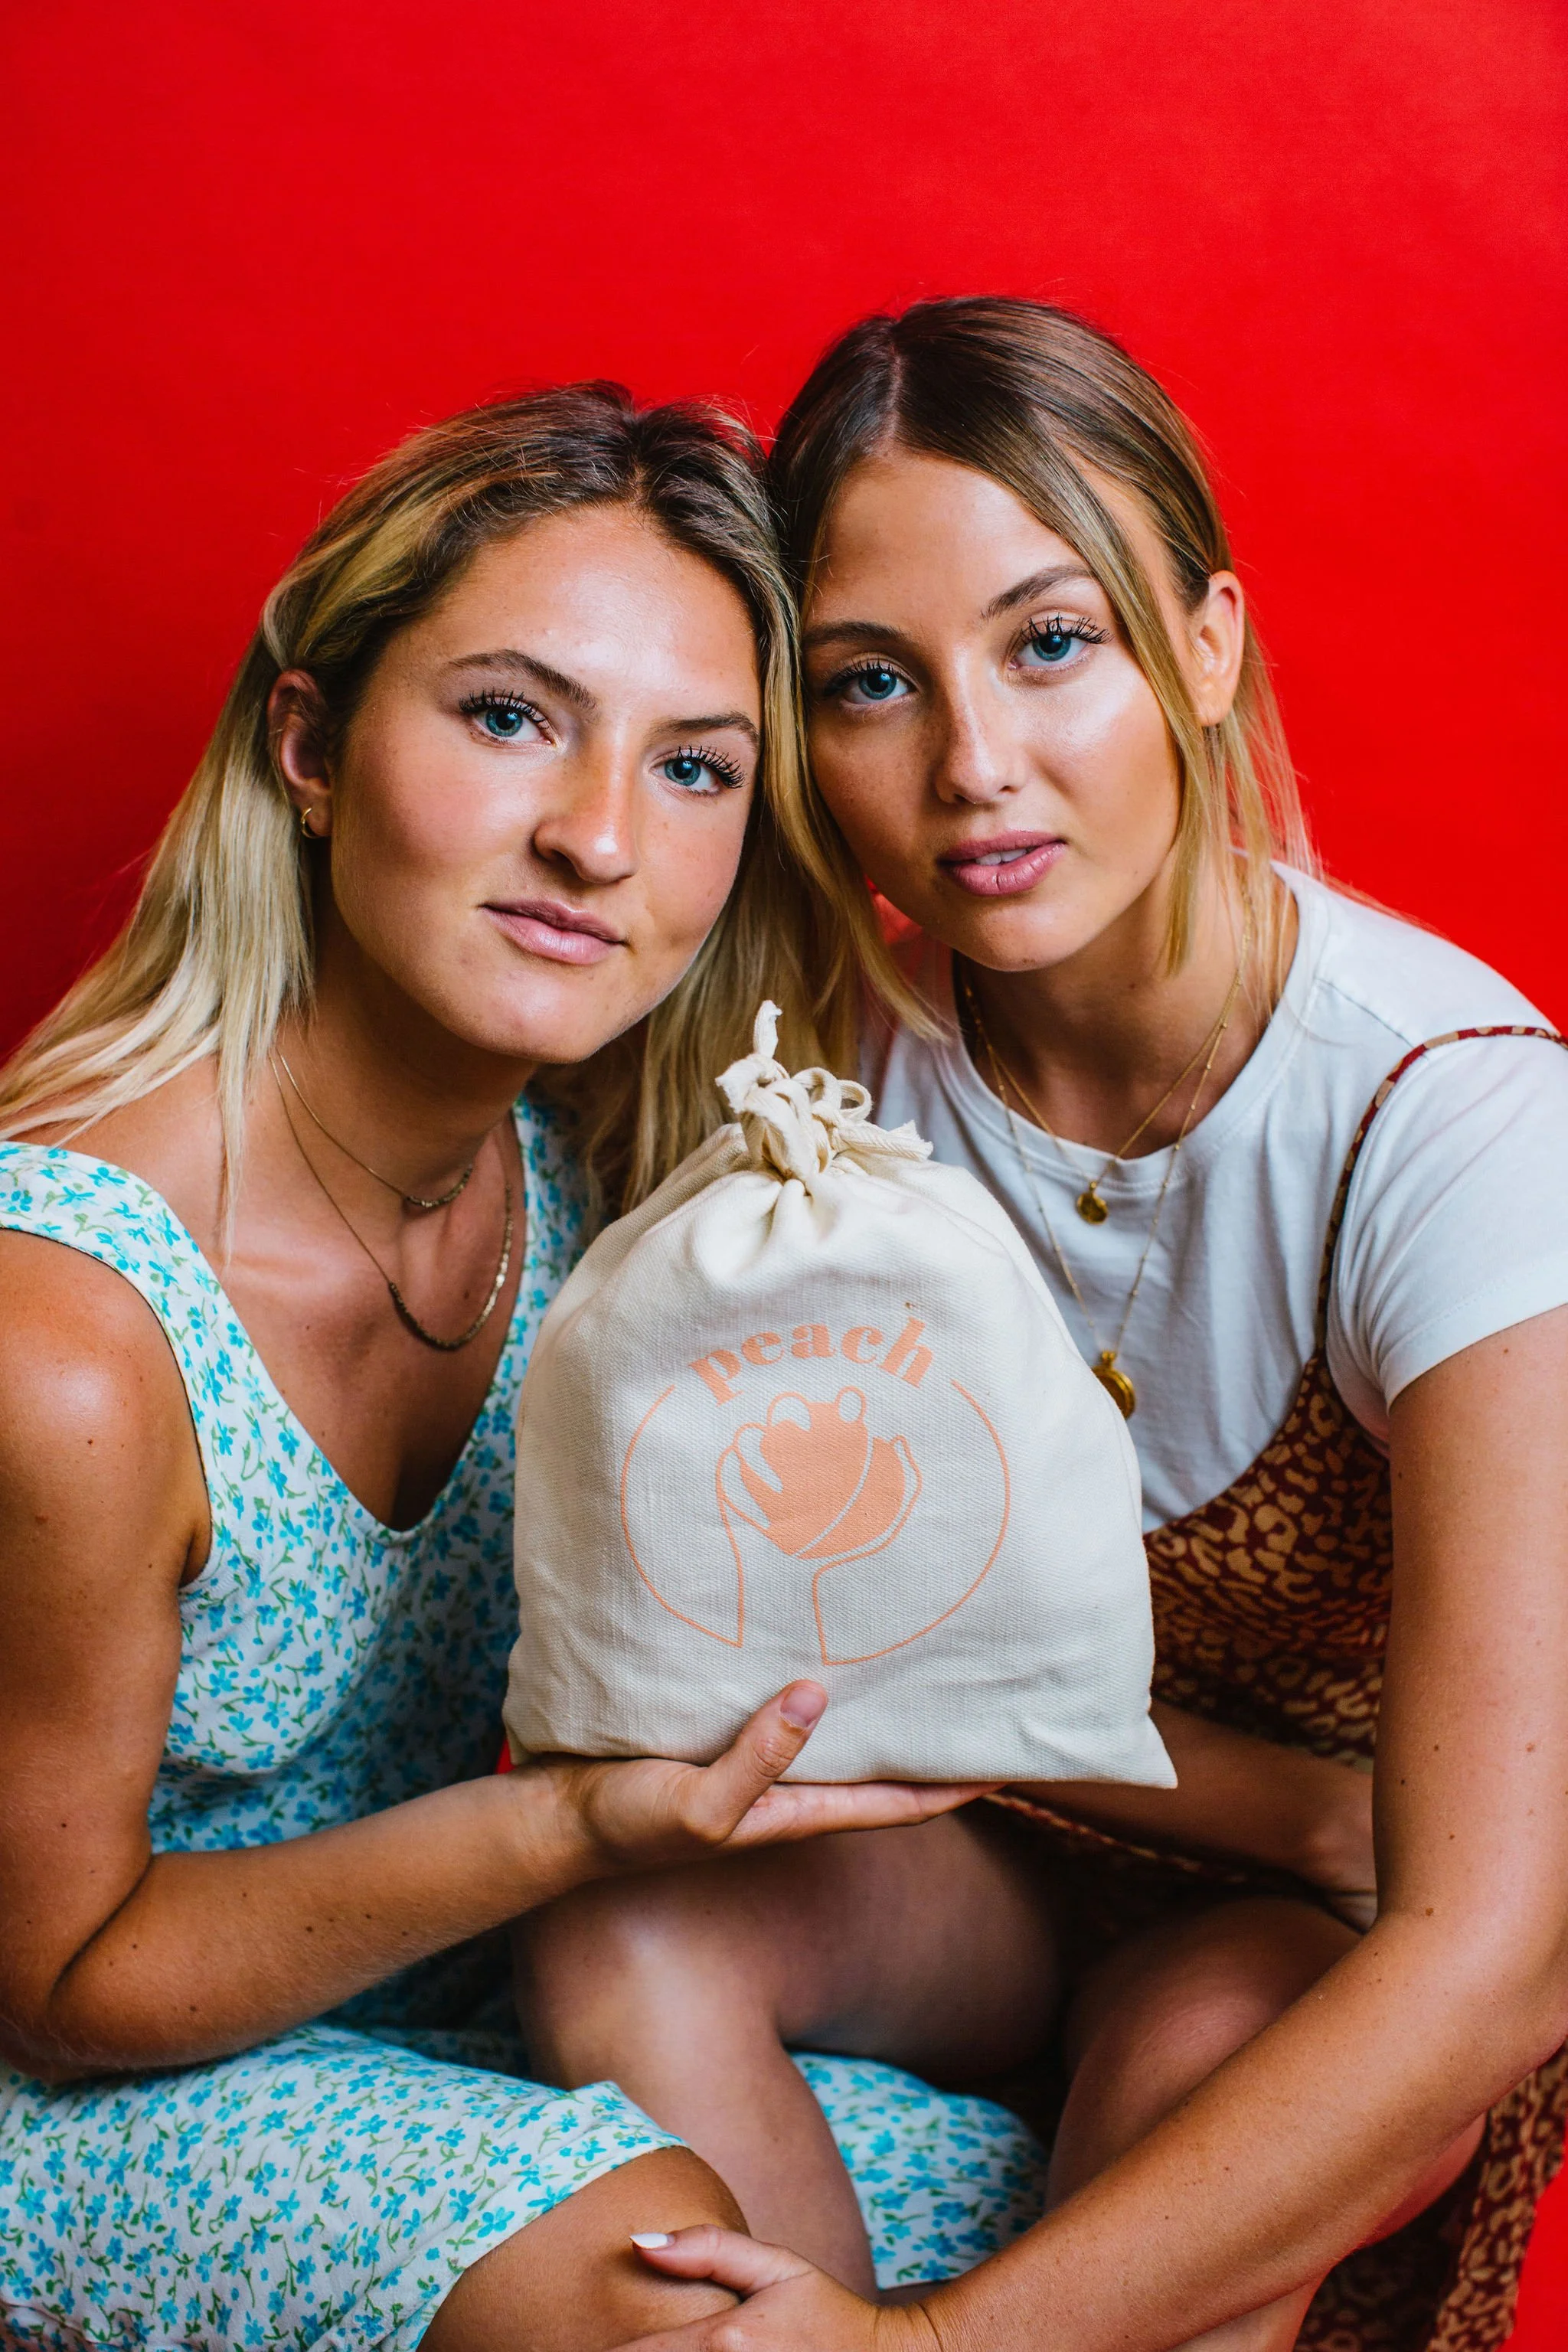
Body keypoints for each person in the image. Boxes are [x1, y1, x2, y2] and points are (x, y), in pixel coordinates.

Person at [518, 304, 1568, 2352]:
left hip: (1328, 1938)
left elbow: (1501, 1947)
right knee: (624, 1932)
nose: (974, 764)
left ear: (1205, 641)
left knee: (1202, 2065)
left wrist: (924, 2350)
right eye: (872, 683)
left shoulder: (1447, 1119)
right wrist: (1286, 1793)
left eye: (1050, 643)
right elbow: (744, 1658)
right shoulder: (815, 1069)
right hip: (972, 1852)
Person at [0, 382, 1044, 2352]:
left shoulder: (580, 1171)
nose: (593, 839)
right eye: (508, 716)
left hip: (421, 2003)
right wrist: (571, 1829)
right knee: (677, 2276)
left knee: (1019, 2197)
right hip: (80, 2096)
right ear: (310, 746)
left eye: (696, 769)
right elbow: (60, 1979)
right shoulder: (62, 1326)